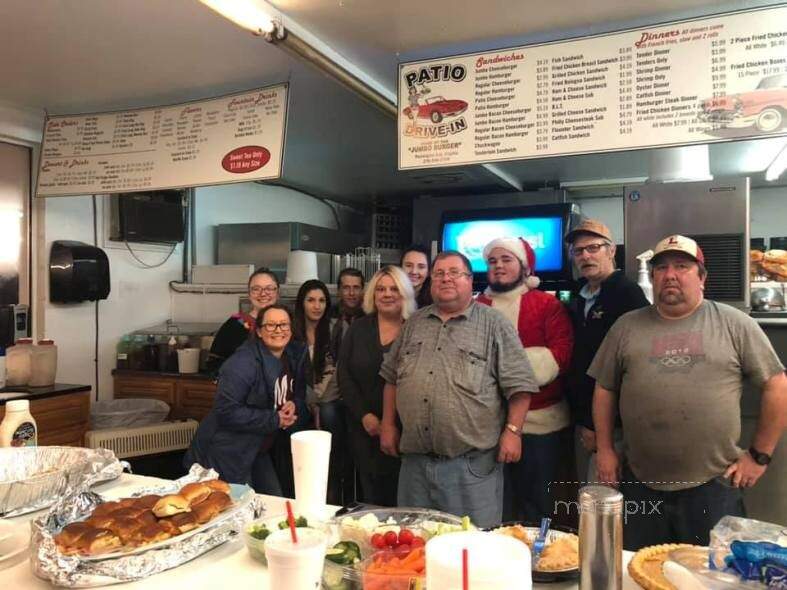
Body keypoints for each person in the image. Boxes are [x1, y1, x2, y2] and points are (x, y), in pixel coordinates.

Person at [591, 234, 787, 549]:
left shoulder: (734, 324)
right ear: (652, 278)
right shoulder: (626, 327)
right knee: (639, 571)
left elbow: (777, 384)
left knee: (708, 577)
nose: (670, 275)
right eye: (661, 268)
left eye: (682, 266)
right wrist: (605, 449)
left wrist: (760, 456)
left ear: (701, 278)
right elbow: (604, 388)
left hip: (713, 485)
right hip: (640, 483)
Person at [379, 250, 540, 527]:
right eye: (439, 273)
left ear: (470, 280)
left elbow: (520, 386)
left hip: (470, 468)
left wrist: (513, 432)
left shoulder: (494, 323)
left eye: (455, 273)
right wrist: (387, 425)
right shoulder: (414, 323)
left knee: (472, 550)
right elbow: (391, 378)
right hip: (414, 466)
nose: (446, 279)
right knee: (414, 548)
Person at [476, 237, 574, 521]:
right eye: (493, 261)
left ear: (524, 266)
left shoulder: (546, 306)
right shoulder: (476, 307)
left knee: (538, 504)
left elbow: (560, 356)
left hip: (540, 426)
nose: (498, 266)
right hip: (486, 427)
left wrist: (498, 369)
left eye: (506, 260)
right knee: (495, 503)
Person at [184, 304, 311, 495]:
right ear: (259, 331)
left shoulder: (291, 356)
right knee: (237, 510)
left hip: (258, 448)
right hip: (227, 450)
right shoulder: (242, 363)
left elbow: (299, 394)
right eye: (271, 325)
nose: (278, 330)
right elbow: (226, 411)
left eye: (284, 325)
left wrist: (294, 404)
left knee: (274, 503)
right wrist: (274, 419)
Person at [563, 220, 649, 481]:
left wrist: (597, 428)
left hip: (614, 427)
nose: (585, 256)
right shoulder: (582, 295)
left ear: (611, 251)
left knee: (602, 503)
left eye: (593, 248)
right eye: (578, 251)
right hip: (588, 420)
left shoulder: (627, 295)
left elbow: (628, 368)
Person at [339, 266, 416, 506]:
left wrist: (389, 424)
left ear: (404, 293)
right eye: (381, 289)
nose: (387, 294)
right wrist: (365, 416)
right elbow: (345, 376)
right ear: (373, 294)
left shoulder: (416, 329)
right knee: (371, 499)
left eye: (394, 288)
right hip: (363, 428)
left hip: (405, 432)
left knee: (402, 500)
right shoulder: (358, 329)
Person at [292, 279, 345, 504]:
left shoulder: (336, 328)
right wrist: (310, 401)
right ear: (302, 303)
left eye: (322, 300)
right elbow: (293, 373)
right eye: (311, 300)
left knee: (329, 413)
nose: (317, 306)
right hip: (300, 396)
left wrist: (321, 402)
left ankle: (333, 488)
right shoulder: (293, 331)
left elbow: (340, 369)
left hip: (332, 396)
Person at [207, 268, 280, 373]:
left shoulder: (287, 325)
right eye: (256, 289)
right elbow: (214, 362)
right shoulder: (235, 324)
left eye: (269, 288)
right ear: (249, 294)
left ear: (277, 293)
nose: (263, 294)